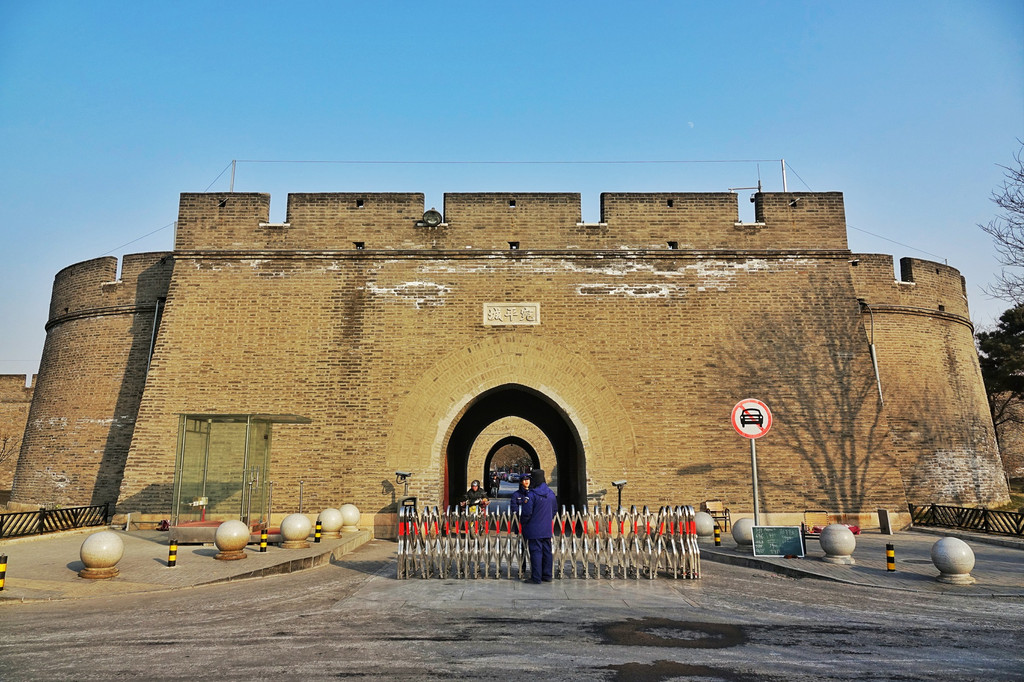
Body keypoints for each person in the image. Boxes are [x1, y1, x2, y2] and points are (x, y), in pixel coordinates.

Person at [516, 468, 558, 584]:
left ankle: (536, 577)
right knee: (547, 551)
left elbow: (527, 512)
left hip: (534, 528)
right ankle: (547, 575)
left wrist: (523, 523)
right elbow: (554, 510)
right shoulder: (551, 494)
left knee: (536, 552)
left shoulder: (532, 495)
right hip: (547, 528)